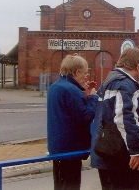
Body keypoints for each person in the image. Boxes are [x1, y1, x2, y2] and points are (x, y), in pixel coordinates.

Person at [90, 48, 139, 190]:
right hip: (121, 158)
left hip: (105, 153)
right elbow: (124, 118)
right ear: (138, 66)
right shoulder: (126, 85)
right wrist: (136, 151)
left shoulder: (107, 83)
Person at [47, 54, 98, 190]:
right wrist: (93, 98)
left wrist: (84, 96)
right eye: (85, 73)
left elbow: (69, 111)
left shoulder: (55, 87)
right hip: (71, 150)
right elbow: (86, 116)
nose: (86, 77)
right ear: (77, 72)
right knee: (71, 185)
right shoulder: (71, 90)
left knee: (60, 185)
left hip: (58, 148)